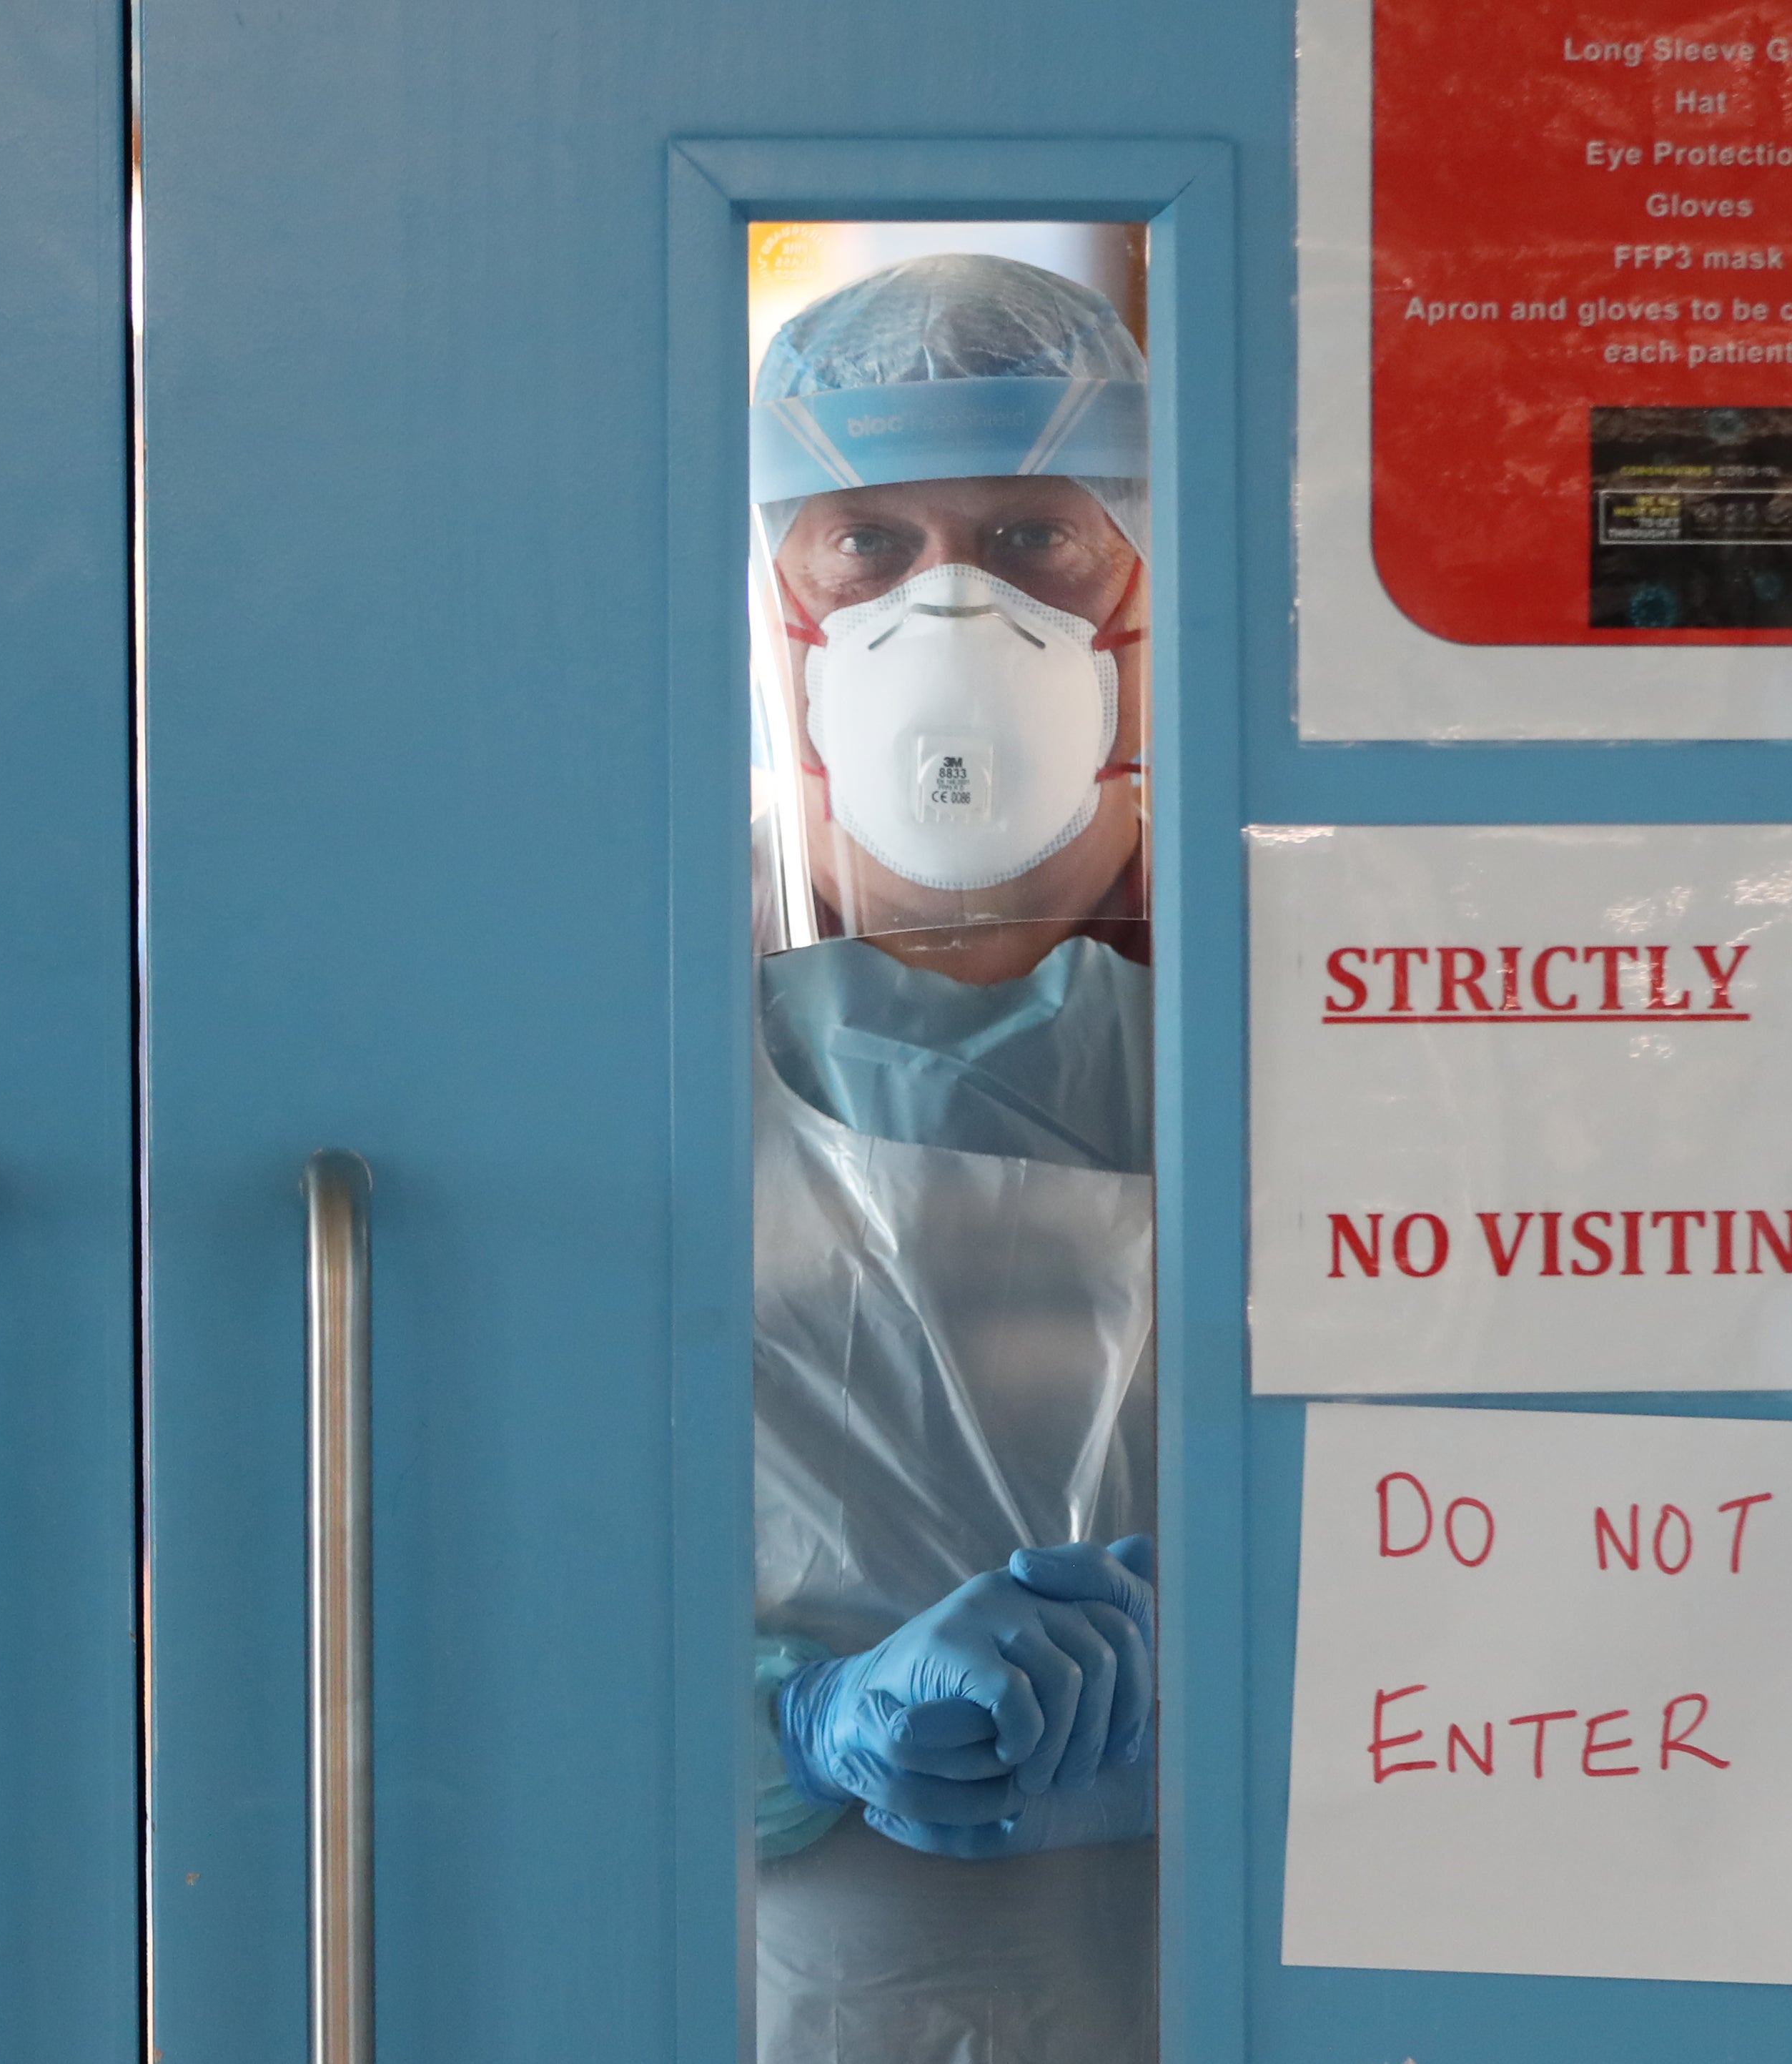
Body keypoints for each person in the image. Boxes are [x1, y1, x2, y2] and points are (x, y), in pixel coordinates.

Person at [748, 251, 1160, 2063]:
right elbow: (495, 1600)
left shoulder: (1324, 1016)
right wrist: (797, 1724)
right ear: (782, 596)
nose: (950, 606)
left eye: (1026, 536)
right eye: (868, 543)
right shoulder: (628, 1035)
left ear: (1143, 578)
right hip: (778, 1989)